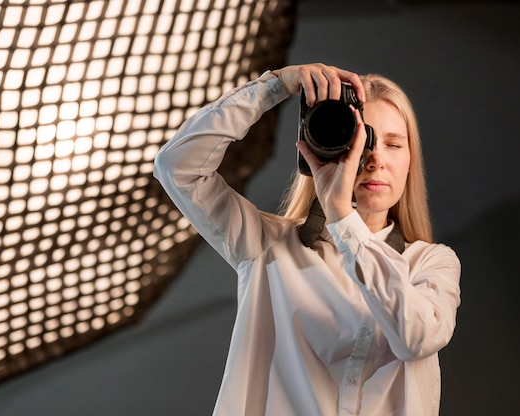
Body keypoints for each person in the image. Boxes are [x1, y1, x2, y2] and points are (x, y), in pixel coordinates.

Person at [153, 63, 461, 416]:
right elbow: (176, 167)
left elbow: (415, 337)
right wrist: (276, 86)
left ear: (410, 161)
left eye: (393, 144)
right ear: (328, 146)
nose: (376, 160)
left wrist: (344, 219)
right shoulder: (267, 245)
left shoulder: (432, 263)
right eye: (361, 140)